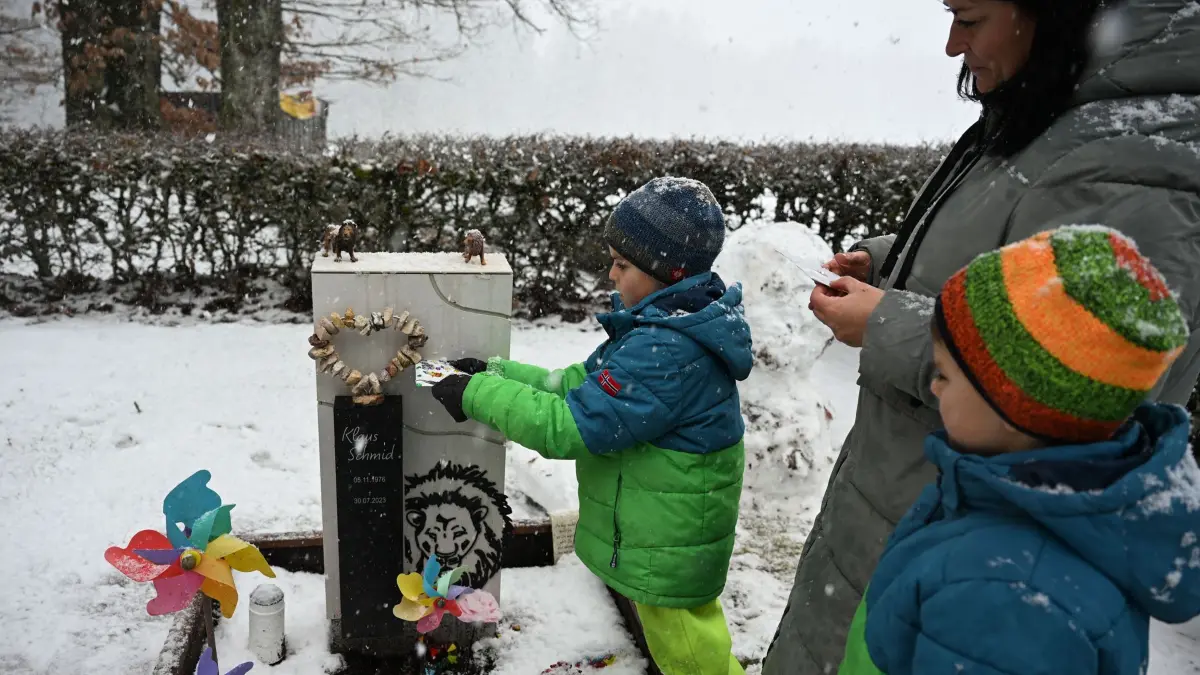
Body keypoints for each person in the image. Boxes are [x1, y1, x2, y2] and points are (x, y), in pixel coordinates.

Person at [764, 1, 1200, 672]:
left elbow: (1093, 383)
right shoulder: (1059, 113)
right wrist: (890, 262)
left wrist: (885, 321)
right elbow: (1021, 274)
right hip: (917, 506)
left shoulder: (1137, 155)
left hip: (953, 525)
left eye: (969, 17)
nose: (950, 45)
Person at [838, 225, 1199, 674]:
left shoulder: (1008, 595)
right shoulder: (1002, 503)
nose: (933, 384)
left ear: (1017, 406)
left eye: (946, 375)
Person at [430, 176, 753, 675]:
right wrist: (497, 373)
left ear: (664, 271)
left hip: (668, 542)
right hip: (665, 531)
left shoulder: (666, 350)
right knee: (685, 645)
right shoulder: (665, 325)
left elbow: (571, 426)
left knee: (693, 657)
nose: (611, 275)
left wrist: (475, 395)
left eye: (623, 265)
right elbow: (581, 385)